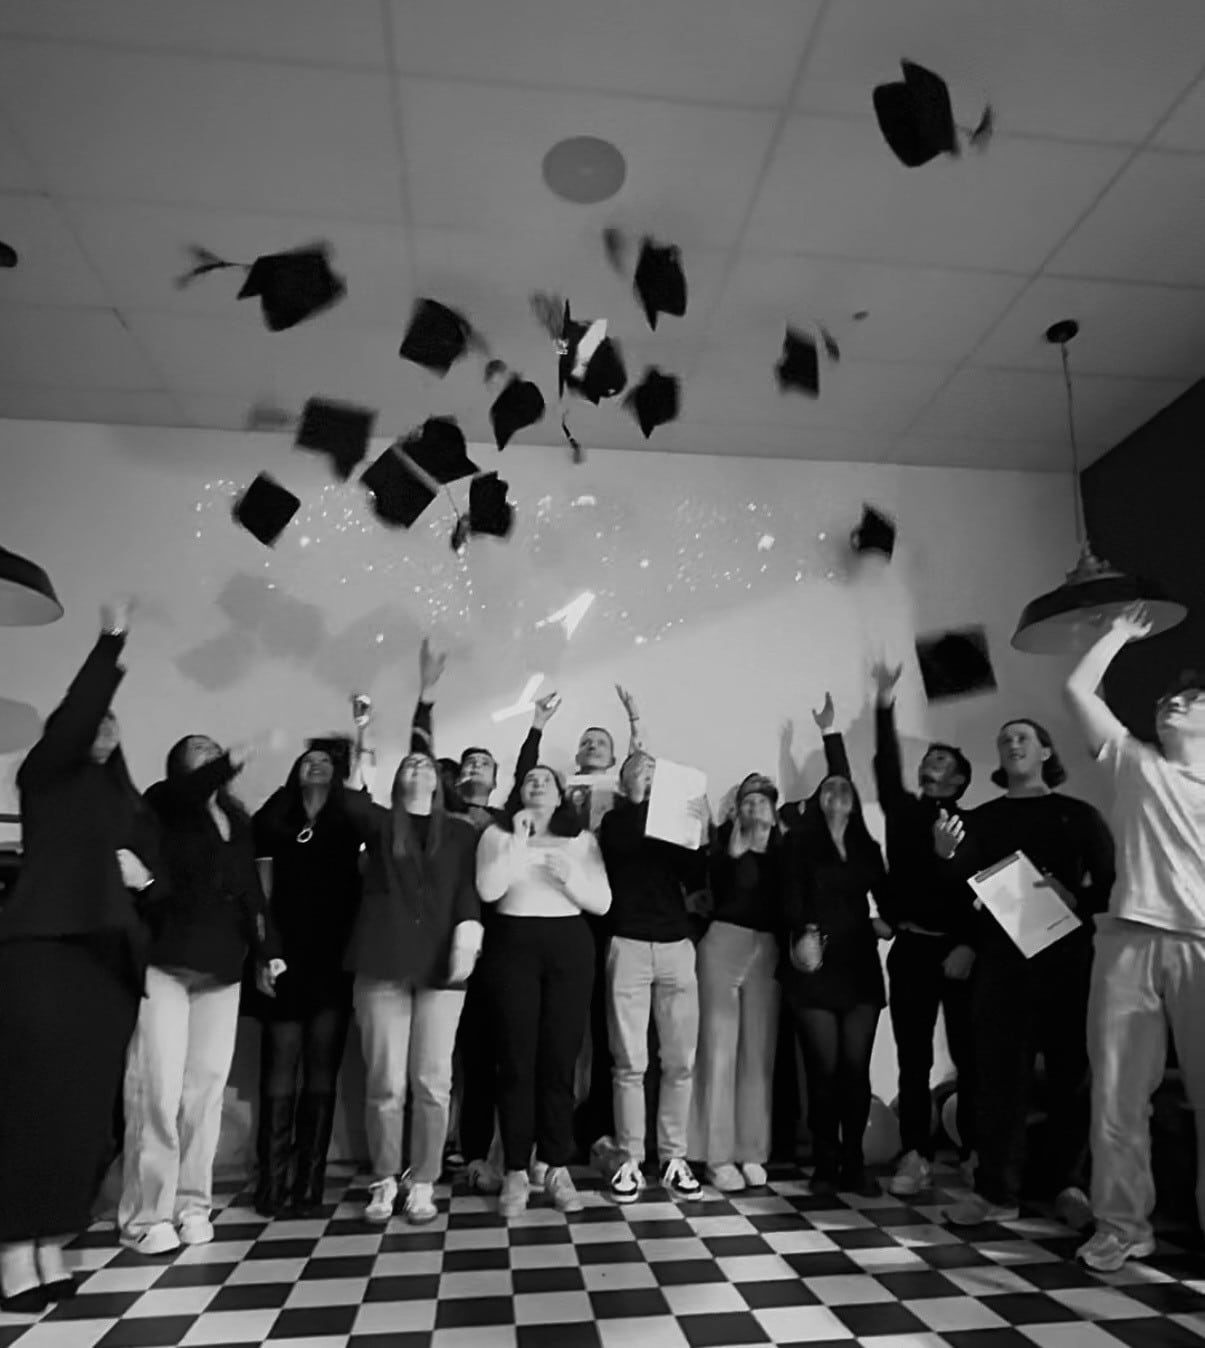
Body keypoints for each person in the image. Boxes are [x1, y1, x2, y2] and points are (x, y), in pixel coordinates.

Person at [0, 603, 159, 1313]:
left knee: (85, 1116)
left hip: (108, 970)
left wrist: (143, 880)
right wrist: (110, 644)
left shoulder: (122, 801)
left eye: (112, 721)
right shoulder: (46, 775)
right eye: (94, 718)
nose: (103, 724)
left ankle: (50, 1242)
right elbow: (76, 712)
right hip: (45, 955)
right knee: (30, 1107)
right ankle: (11, 1249)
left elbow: (160, 876)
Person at [1063, 604, 1205, 1272]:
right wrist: (1116, 635)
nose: (1172, 702)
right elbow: (1076, 692)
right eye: (1167, 698)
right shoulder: (1134, 764)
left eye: (1190, 698)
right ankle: (1121, 1225)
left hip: (1200, 947)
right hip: (1126, 942)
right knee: (1117, 1095)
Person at [934, 717, 1115, 1228]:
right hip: (1002, 962)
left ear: (1044, 752)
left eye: (1022, 738)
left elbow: (1110, 886)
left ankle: (1069, 1185)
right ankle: (998, 1192)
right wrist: (947, 856)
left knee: (1069, 1077)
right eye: (1004, 739)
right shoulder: (983, 820)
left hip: (1066, 960)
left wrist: (1075, 898)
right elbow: (959, 891)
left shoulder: (1078, 816)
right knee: (999, 1080)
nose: (1011, 744)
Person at [120, 735, 284, 1255]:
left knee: (205, 1095)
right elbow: (188, 793)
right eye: (201, 751)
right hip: (165, 962)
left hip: (222, 967)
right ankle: (146, 1216)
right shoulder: (164, 803)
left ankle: (193, 1204)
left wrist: (267, 950)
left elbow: (252, 893)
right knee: (158, 1093)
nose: (212, 756)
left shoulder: (236, 819)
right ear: (179, 765)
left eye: (217, 750)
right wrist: (232, 760)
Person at [409, 642, 545, 1196]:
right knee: (453, 1057)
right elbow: (418, 756)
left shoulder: (506, 818)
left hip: (504, 947)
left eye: (483, 763)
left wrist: (536, 725)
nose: (473, 768)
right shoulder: (439, 815)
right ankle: (452, 1150)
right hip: (444, 945)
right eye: (466, 762)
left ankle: (499, 1151)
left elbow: (529, 777)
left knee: (498, 1051)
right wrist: (426, 697)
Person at [344, 746, 483, 1225]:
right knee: (385, 1082)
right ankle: (385, 1177)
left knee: (433, 1081)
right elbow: (351, 805)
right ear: (397, 779)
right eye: (409, 764)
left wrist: (470, 932)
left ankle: (423, 1180)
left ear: (440, 781)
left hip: (443, 967)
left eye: (426, 764)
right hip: (383, 962)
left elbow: (467, 888)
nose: (419, 768)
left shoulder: (461, 832)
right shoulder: (382, 825)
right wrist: (362, 746)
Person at [476, 766, 612, 1218]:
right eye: (530, 780)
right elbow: (489, 889)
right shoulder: (497, 835)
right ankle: (515, 1168)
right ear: (519, 791)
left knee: (559, 1062)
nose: (537, 785)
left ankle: (554, 1165)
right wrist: (518, 842)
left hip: (569, 946)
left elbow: (602, 901)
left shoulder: (582, 841)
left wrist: (569, 877)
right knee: (515, 1061)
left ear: (560, 796)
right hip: (512, 944)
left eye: (547, 781)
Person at [249, 740, 370, 1217]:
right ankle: (271, 1182)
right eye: (308, 761)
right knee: (280, 1064)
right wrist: (265, 951)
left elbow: (371, 823)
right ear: (294, 772)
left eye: (326, 762)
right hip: (283, 954)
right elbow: (258, 892)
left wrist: (358, 756)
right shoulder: (274, 819)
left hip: (335, 958)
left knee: (322, 1068)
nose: (317, 765)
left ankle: (310, 1180)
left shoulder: (349, 820)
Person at [869, 662, 977, 1196]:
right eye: (928, 758)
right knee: (914, 1059)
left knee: (968, 1054)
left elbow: (978, 898)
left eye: (941, 760)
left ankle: (976, 1154)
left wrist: (965, 945)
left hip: (955, 954)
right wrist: (884, 703)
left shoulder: (972, 826)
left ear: (958, 780)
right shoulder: (905, 812)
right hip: (909, 948)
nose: (929, 763)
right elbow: (886, 768)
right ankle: (916, 1154)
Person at [783, 695, 893, 1195]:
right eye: (827, 789)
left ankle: (854, 1162)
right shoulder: (801, 842)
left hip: (860, 965)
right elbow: (789, 896)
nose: (836, 791)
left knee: (856, 1069)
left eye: (842, 788)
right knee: (823, 1070)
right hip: (815, 961)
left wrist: (887, 921)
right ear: (815, 802)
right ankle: (826, 1164)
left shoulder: (866, 843)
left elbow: (888, 897)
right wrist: (804, 935)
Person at [597, 750, 708, 1203]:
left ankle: (673, 1158)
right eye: (637, 771)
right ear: (624, 784)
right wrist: (643, 796)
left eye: (652, 770)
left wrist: (699, 831)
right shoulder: (615, 821)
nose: (646, 773)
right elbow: (623, 844)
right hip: (628, 944)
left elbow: (696, 877)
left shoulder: (673, 823)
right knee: (629, 1062)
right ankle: (629, 1159)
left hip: (676, 946)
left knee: (680, 1061)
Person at [690, 764, 788, 1193]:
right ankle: (716, 1155)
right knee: (718, 1050)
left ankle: (752, 1151)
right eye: (746, 800)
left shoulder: (788, 853)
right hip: (723, 945)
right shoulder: (723, 851)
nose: (754, 804)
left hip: (767, 951)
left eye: (762, 799)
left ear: (774, 810)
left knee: (758, 1053)